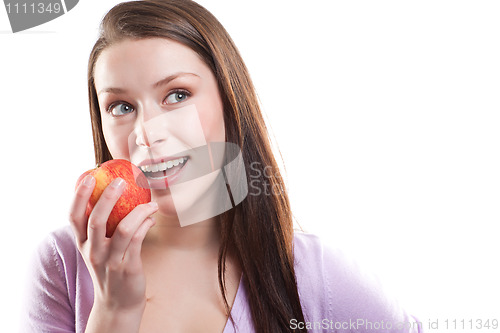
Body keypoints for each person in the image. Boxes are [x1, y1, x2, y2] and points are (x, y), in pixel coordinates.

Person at [21, 1, 422, 332]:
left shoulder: (314, 276)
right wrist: (113, 315)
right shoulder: (63, 265)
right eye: (121, 107)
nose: (147, 133)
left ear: (230, 103)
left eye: (177, 95)